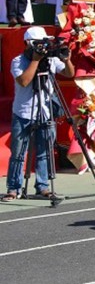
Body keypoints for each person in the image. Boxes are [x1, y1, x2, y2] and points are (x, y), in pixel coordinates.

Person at [3, 26, 74, 202]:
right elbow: (25, 81)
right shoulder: (18, 61)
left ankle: (42, 187)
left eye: (45, 42)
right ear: (28, 43)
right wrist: (35, 60)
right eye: (38, 43)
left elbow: (69, 73)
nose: (43, 46)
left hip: (45, 110)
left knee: (44, 152)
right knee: (18, 153)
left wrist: (67, 60)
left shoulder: (49, 60)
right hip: (23, 113)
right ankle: (13, 188)